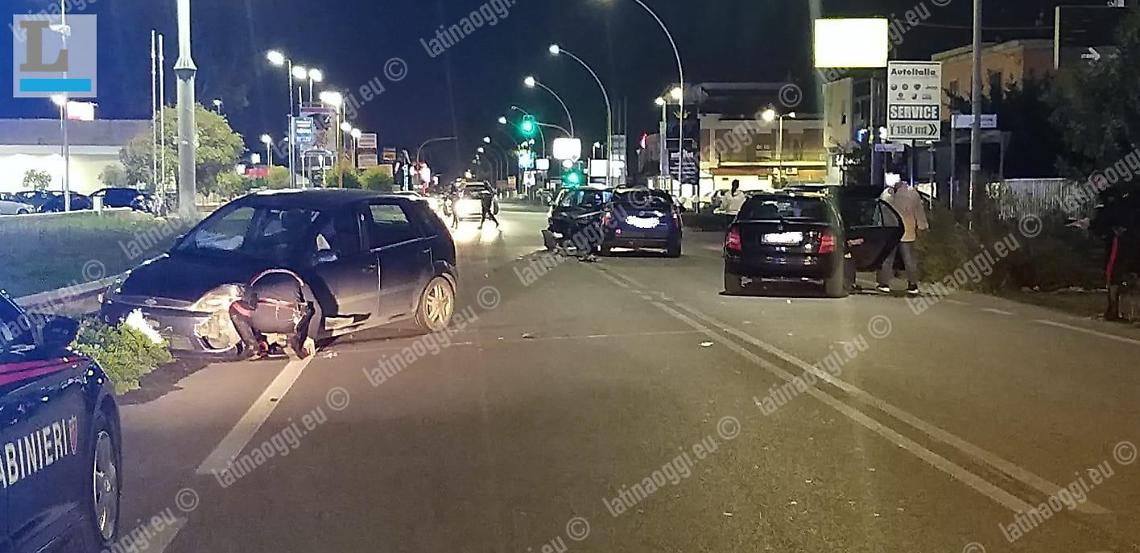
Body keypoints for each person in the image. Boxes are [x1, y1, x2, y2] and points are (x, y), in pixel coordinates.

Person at [229, 269, 315, 359]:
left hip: (263, 321)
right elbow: (316, 308)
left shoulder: (258, 277)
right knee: (307, 309)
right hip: (290, 322)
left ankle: (254, 346)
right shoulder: (298, 278)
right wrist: (310, 336)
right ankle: (296, 339)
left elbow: (249, 303)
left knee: (236, 307)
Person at [1090, 188, 1139, 321]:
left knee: (1113, 276)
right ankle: (1113, 310)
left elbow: (1101, 225)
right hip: (1126, 242)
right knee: (1116, 276)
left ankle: (1113, 310)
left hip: (1118, 243)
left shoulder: (1112, 206)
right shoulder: (1125, 202)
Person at [877, 180, 929, 295]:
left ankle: (884, 283)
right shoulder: (912, 194)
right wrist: (922, 226)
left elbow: (880, 213)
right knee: (908, 258)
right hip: (906, 231)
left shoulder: (886, 194)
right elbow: (919, 212)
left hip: (890, 231)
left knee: (888, 258)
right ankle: (912, 284)